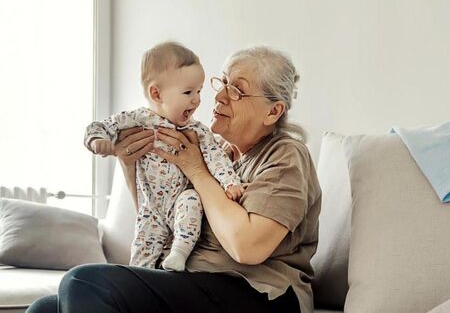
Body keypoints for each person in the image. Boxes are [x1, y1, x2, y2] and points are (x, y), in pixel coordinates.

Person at [27, 46, 322, 313]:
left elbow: (247, 248)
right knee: (44, 309)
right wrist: (129, 165)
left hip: (259, 293)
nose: (218, 96)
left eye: (236, 91)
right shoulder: (217, 152)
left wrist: (196, 170)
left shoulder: (285, 154)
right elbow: (163, 214)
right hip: (194, 282)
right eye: (221, 83)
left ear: (273, 111)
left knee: (86, 281)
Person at [84, 41, 243, 272]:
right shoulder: (138, 119)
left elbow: (216, 157)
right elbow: (100, 126)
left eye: (199, 91)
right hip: (151, 207)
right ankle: (137, 283)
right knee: (141, 256)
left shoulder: (195, 131)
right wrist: (98, 142)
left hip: (181, 200)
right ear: (156, 94)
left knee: (191, 201)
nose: (197, 100)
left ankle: (179, 252)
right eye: (188, 92)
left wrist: (230, 182)